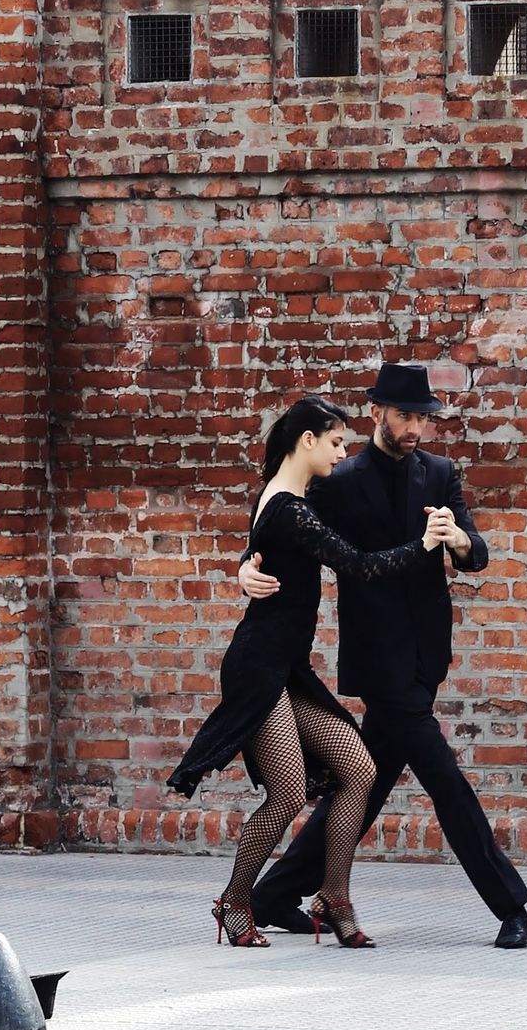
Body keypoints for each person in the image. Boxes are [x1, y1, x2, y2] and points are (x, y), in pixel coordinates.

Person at [239, 364, 527, 949]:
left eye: (423, 416)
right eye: (405, 416)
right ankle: (510, 904)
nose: (416, 427)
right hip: (379, 658)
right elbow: (279, 518)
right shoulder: (340, 478)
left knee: (363, 784)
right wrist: (246, 564)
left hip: (427, 654)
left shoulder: (441, 473)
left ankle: (273, 894)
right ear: (378, 413)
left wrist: (460, 541)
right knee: (445, 781)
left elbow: (478, 555)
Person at [168, 393, 461, 949]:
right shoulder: (289, 508)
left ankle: (333, 893)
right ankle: (234, 901)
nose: (341, 452)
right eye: (334, 442)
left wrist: (241, 569)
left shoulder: (287, 498)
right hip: (260, 668)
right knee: (287, 793)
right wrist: (424, 546)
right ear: (308, 441)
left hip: (286, 668)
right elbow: (358, 565)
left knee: (358, 769)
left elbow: (260, 550)